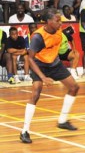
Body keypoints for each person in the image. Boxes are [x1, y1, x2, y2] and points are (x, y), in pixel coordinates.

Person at [20, 8, 80, 144]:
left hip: (54, 63)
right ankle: (24, 131)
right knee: (35, 94)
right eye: (57, 20)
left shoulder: (59, 32)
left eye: (61, 20)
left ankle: (62, 120)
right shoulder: (38, 37)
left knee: (74, 87)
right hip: (39, 65)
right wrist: (43, 77)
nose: (61, 23)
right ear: (48, 21)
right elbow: (30, 59)